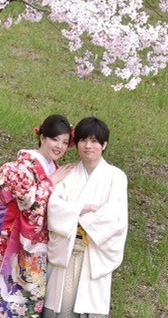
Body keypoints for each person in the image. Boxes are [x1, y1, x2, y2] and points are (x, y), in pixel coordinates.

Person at [0, 114, 74, 318]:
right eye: (54, 139)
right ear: (42, 136)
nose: (59, 146)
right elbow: (29, 205)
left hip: (33, 247)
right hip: (4, 241)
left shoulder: (53, 168)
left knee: (25, 300)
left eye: (65, 142)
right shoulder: (21, 167)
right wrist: (51, 183)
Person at [44, 116, 129, 318]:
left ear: (104, 145)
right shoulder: (68, 173)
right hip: (67, 250)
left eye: (94, 141)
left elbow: (115, 217)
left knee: (89, 305)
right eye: (83, 140)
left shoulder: (116, 177)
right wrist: (81, 209)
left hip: (93, 253)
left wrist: (74, 215)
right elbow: (53, 206)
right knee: (60, 307)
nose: (87, 146)